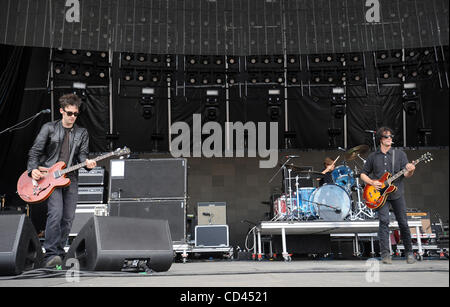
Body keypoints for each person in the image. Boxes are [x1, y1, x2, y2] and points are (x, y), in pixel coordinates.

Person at [27, 94, 97, 267]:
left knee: (68, 217)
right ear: (61, 111)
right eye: (69, 113)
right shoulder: (48, 128)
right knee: (55, 214)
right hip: (50, 177)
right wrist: (33, 170)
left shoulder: (82, 133)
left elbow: (82, 157)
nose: (72, 117)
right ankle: (50, 254)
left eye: (75, 114)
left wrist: (89, 164)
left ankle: (59, 252)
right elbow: (35, 152)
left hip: (70, 178)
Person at [360, 126, 416, 264]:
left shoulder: (400, 154)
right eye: (387, 137)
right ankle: (385, 254)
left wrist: (411, 170)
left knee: (403, 222)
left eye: (391, 137)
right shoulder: (373, 156)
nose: (390, 139)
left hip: (397, 193)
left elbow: (407, 174)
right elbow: (362, 174)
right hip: (380, 196)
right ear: (381, 139)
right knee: (384, 222)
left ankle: (409, 253)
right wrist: (372, 182)